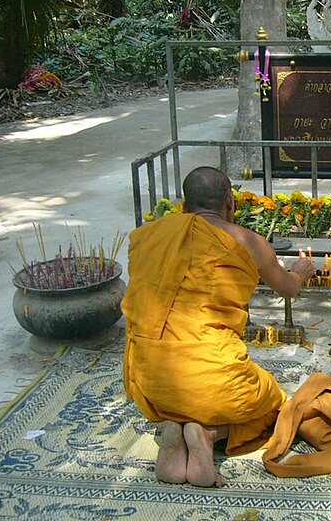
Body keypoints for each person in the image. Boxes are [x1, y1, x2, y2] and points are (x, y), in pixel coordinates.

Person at [122, 166, 316, 487]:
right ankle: (211, 434)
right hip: (216, 383)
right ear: (230, 202)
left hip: (150, 383)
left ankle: (175, 427)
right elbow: (289, 288)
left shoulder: (151, 236)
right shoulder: (248, 241)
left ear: (185, 206)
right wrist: (301, 270)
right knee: (275, 406)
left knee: (186, 391)